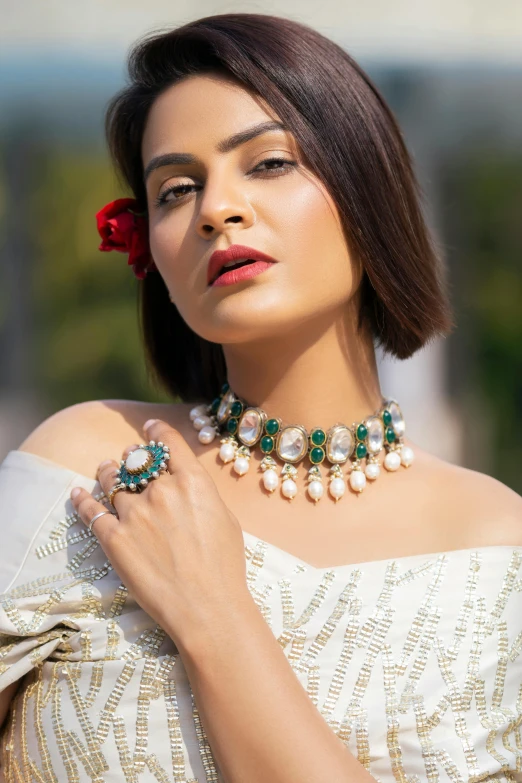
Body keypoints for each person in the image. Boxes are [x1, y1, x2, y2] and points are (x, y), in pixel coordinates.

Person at [1, 12, 521, 783]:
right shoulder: (87, 466)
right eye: (176, 189)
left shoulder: (500, 552)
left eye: (268, 163)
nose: (217, 208)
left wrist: (212, 611)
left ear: (365, 185)